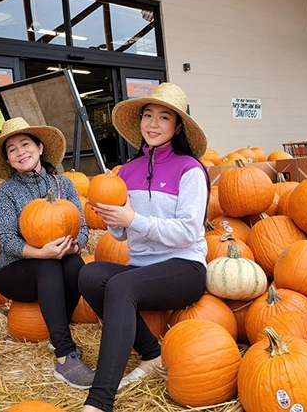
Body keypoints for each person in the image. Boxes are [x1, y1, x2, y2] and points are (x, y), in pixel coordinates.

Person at [78, 83, 210, 412]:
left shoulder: (190, 170)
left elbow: (188, 232)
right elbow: (123, 236)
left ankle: (98, 401)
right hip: (143, 267)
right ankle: (152, 354)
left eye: (163, 118)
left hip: (184, 266)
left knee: (121, 285)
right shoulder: (128, 171)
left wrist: (132, 217)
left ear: (177, 126)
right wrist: (112, 218)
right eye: (147, 115)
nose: (153, 124)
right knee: (90, 275)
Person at [0, 117, 94, 390]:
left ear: (40, 148)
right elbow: (6, 241)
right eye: (12, 149)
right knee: (49, 266)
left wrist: (73, 245)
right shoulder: (6, 192)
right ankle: (65, 357)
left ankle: (58, 330)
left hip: (58, 262)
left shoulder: (63, 185)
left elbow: (84, 229)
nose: (20, 152)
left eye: (25, 144)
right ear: (8, 160)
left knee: (75, 264)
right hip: (14, 271)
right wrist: (42, 253)